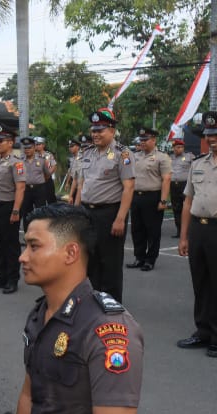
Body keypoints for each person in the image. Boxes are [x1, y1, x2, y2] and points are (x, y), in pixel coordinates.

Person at [15, 203, 144, 414]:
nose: (23, 257)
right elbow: (29, 396)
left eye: (34, 246)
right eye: (25, 246)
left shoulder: (107, 329)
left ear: (71, 253)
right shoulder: (41, 313)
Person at [75, 108, 134, 303]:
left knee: (110, 265)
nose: (95, 134)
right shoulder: (88, 153)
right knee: (89, 262)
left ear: (112, 130)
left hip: (109, 214)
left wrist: (120, 218)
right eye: (93, 130)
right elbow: (83, 184)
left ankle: (112, 309)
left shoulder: (122, 154)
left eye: (100, 130)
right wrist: (76, 212)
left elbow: (129, 187)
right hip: (87, 213)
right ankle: (93, 305)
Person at [177, 110, 217, 358]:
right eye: (208, 135)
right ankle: (202, 331)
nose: (211, 139)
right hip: (199, 229)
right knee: (200, 281)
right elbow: (187, 202)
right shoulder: (198, 164)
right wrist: (184, 236)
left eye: (215, 134)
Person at [0, 125, 26, 294]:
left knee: (11, 245)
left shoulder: (16, 163)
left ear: (10, 143)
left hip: (8, 207)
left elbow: (21, 188)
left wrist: (16, 211)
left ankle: (12, 279)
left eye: (1, 141)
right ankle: (1, 276)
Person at [125, 128, 171, 272]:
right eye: (141, 140)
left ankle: (150, 260)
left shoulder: (162, 157)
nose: (142, 142)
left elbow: (166, 179)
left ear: (154, 140)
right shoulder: (135, 156)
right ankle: (139, 257)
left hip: (152, 197)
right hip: (136, 196)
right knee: (136, 229)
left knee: (152, 230)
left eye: (145, 140)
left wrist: (163, 201)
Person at [19, 137, 49, 231]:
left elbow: (46, 174)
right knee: (26, 213)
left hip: (39, 189)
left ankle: (40, 233)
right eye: (25, 148)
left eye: (29, 148)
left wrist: (40, 182)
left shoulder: (42, 160)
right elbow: (19, 176)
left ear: (34, 147)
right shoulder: (20, 161)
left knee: (41, 212)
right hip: (26, 189)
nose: (27, 150)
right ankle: (27, 234)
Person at [169, 138, 194, 238]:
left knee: (188, 208)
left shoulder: (190, 156)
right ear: (173, 148)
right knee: (176, 208)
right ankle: (179, 230)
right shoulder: (170, 158)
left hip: (185, 185)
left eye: (180, 147)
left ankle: (190, 230)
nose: (178, 149)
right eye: (176, 147)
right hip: (174, 185)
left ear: (183, 148)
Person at [34, 137, 57, 204]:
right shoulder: (33, 156)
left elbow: (54, 166)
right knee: (40, 201)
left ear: (43, 145)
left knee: (51, 200)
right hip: (37, 181)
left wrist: (48, 174)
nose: (37, 146)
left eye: (39, 144)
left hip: (47, 180)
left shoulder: (49, 155)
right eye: (35, 144)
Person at [67, 137, 84, 205]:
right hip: (76, 187)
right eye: (69, 147)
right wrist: (67, 182)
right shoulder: (73, 158)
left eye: (72, 146)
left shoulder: (83, 156)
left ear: (78, 147)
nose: (70, 148)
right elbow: (72, 173)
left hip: (83, 188)